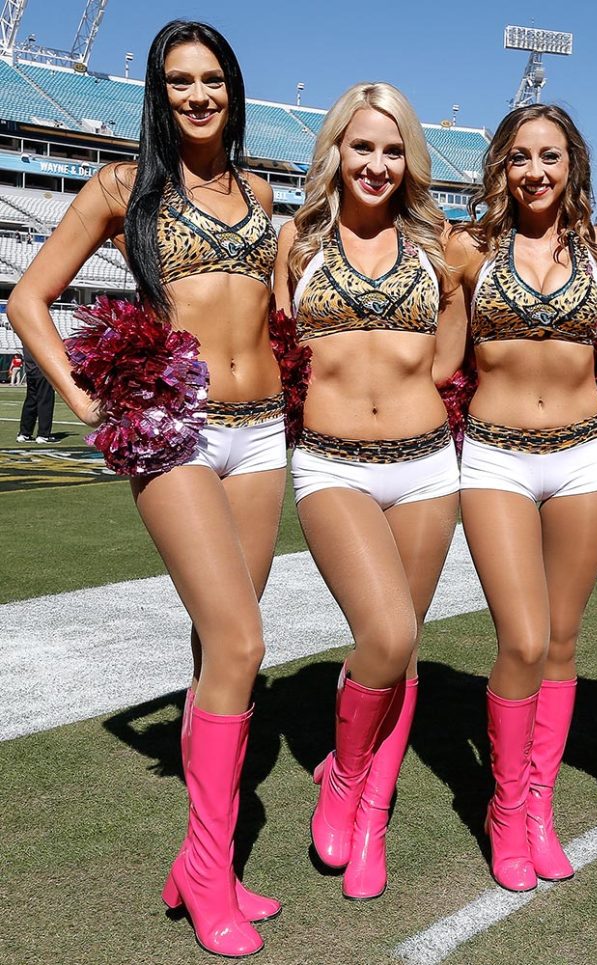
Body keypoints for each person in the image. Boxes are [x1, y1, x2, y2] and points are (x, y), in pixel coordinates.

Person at [8, 20, 284, 957]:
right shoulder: (121, 187)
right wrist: (84, 397)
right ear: (159, 94)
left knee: (221, 643)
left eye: (212, 78)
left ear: (233, 89)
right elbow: (28, 299)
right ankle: (208, 872)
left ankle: (207, 863)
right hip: (176, 429)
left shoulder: (259, 191)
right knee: (243, 639)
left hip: (263, 433)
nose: (197, 95)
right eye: (179, 81)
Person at [274, 82, 459, 900]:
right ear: (335, 153)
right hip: (331, 464)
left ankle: (372, 812)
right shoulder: (298, 242)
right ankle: (346, 776)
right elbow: (279, 348)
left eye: (393, 150)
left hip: (427, 466)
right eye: (362, 147)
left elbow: (450, 350)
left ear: (409, 160)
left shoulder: (438, 245)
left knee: (405, 646)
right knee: (383, 633)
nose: (377, 164)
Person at [440, 104, 597, 892]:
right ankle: (506, 807)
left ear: (572, 163)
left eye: (550, 156)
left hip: (585, 458)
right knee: (521, 640)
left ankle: (539, 808)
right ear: (501, 167)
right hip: (496, 457)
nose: (536, 171)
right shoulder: (468, 249)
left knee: (561, 640)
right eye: (520, 157)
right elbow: (442, 360)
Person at [16, 351, 55, 442]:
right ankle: (43, 435)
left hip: (30, 371)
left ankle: (25, 433)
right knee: (45, 402)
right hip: (42, 371)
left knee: (31, 402)